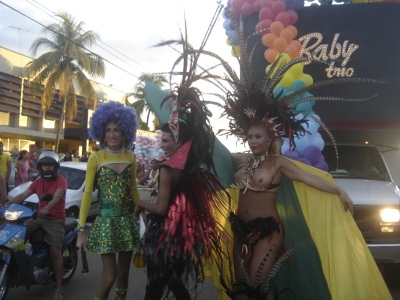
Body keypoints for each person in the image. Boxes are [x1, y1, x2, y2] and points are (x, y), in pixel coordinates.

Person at [134, 87, 227, 299]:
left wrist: (141, 204)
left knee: (156, 284)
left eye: (166, 141)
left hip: (164, 233)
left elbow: (161, 207)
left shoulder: (168, 170)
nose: (162, 145)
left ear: (180, 143)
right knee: (171, 280)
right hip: (177, 234)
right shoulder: (185, 168)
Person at [76, 101, 141, 300]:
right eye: (108, 130)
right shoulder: (95, 158)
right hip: (106, 223)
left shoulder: (131, 156)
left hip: (127, 221)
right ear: (101, 133)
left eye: (117, 130)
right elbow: (87, 193)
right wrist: (80, 230)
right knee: (110, 276)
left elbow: (133, 189)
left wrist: (141, 219)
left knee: (123, 275)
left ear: (125, 133)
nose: (112, 134)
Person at [6, 151, 67, 300]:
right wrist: (4, 205)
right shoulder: (38, 182)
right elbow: (21, 196)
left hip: (55, 220)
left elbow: (57, 196)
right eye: (44, 165)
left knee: (55, 251)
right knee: (15, 236)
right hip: (39, 218)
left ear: (55, 166)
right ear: (40, 166)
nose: (47, 168)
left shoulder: (61, 180)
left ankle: (59, 288)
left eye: (50, 165)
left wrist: (47, 207)